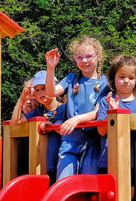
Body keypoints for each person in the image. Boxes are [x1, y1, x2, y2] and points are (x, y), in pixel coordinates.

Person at [46, 36, 109, 179]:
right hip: (70, 141)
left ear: (99, 56)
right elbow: (51, 92)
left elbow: (98, 111)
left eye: (89, 56)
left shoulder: (104, 82)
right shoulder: (72, 78)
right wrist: (51, 69)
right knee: (64, 181)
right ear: (74, 59)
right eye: (79, 57)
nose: (84, 61)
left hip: (91, 142)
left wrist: (76, 120)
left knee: (88, 185)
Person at [96, 55, 136, 170]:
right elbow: (101, 131)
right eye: (121, 77)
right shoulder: (106, 101)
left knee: (134, 188)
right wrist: (114, 112)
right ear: (113, 78)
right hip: (109, 161)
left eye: (131, 78)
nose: (126, 81)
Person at [14, 72, 65, 181]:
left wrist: (51, 126)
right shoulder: (38, 111)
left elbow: (69, 130)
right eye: (37, 90)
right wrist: (22, 99)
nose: (41, 92)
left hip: (61, 164)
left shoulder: (65, 108)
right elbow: (16, 121)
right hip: (45, 168)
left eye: (44, 88)